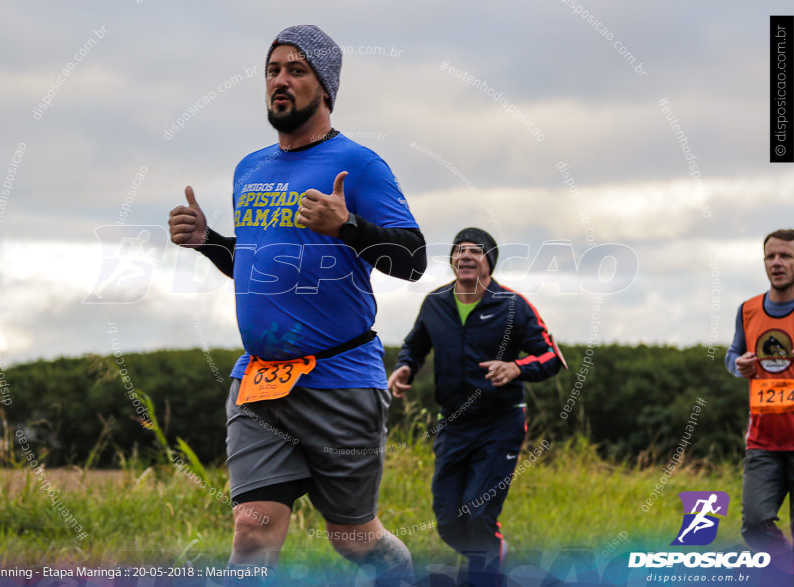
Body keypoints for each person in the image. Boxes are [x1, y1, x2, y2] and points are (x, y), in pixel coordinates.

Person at [168, 25, 425, 585]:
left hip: (341, 382)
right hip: (260, 384)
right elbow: (259, 261)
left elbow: (414, 259)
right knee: (252, 534)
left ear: (326, 87)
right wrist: (208, 240)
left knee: (355, 541)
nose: (280, 81)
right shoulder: (249, 170)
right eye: (273, 70)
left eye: (296, 70)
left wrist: (349, 226)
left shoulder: (359, 165)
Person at [388, 227, 564, 587]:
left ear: (489, 262)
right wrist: (405, 367)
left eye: (475, 251)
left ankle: (484, 576)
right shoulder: (435, 302)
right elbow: (415, 345)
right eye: (459, 250)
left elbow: (551, 356)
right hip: (452, 425)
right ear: (452, 260)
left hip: (500, 424)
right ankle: (495, 558)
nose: (465, 256)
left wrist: (517, 367)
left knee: (480, 514)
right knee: (449, 520)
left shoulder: (513, 305)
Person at [725, 228, 794, 577]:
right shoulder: (748, 310)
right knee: (753, 524)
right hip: (763, 442)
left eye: (786, 256)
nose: (777, 263)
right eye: (771, 256)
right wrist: (737, 365)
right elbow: (732, 354)